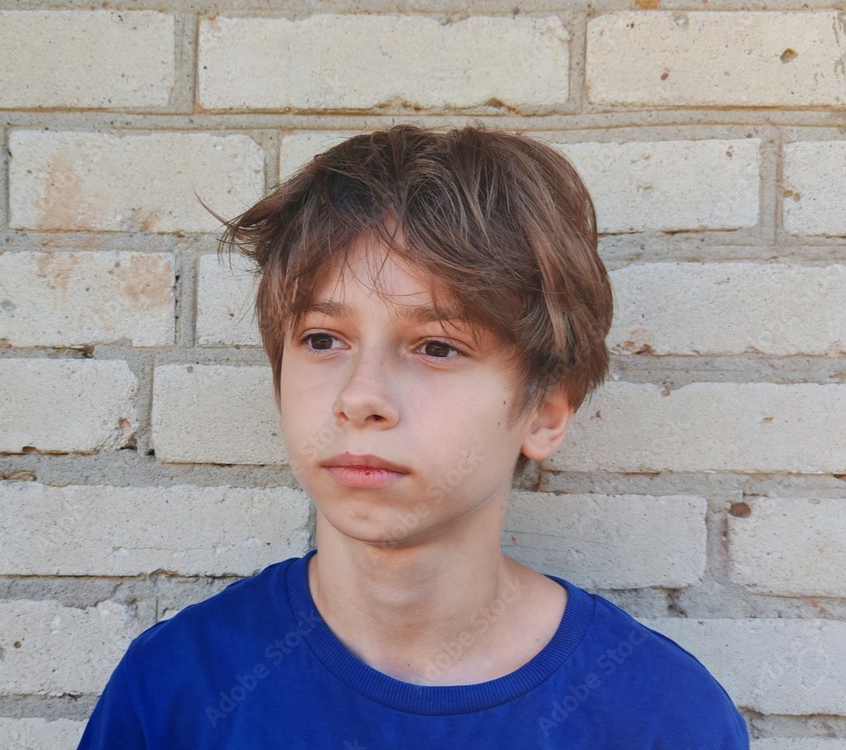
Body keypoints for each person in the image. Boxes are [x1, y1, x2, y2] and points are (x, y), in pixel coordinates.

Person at [78, 125, 749, 748]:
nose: (360, 397)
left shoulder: (661, 718)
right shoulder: (176, 691)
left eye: (436, 346)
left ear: (544, 411)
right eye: (323, 340)